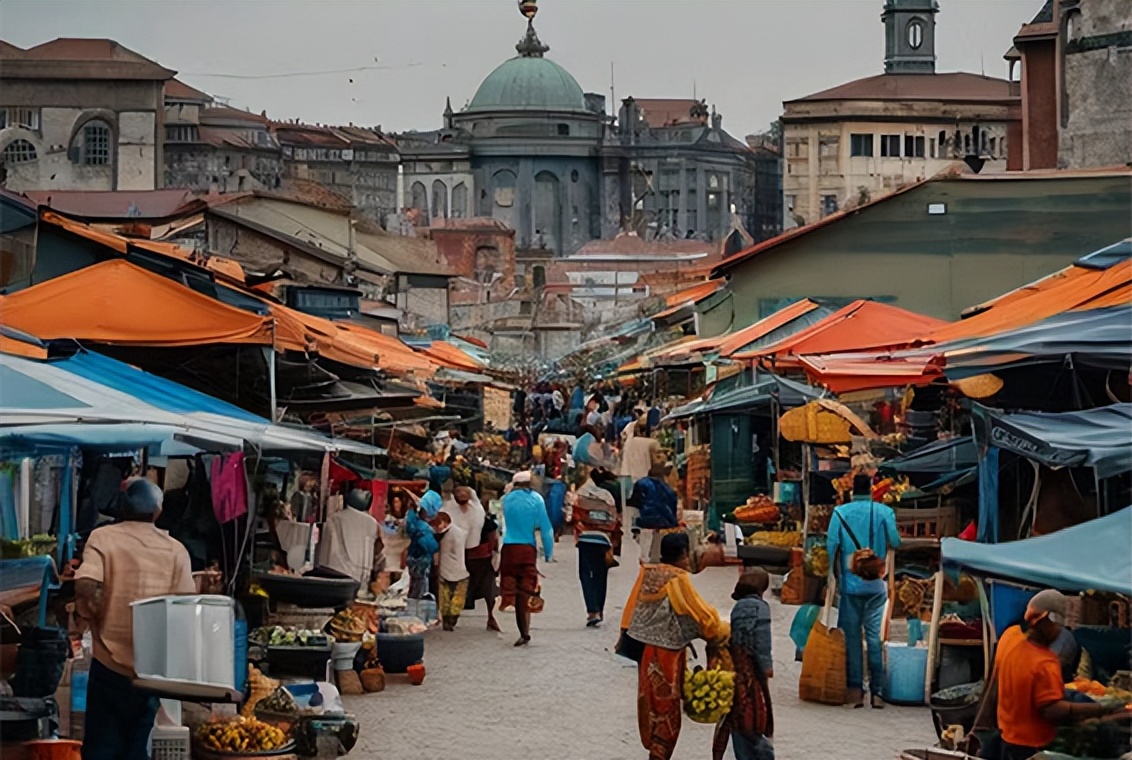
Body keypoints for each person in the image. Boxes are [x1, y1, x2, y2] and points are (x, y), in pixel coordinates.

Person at [74, 479, 196, 760]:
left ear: (123, 507)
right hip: (150, 668)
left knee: (102, 746)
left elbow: (86, 584)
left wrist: (85, 617)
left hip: (108, 662)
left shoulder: (103, 538)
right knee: (136, 745)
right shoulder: (175, 550)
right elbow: (185, 608)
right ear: (157, 512)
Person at [973, 590, 1130, 760]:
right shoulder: (1044, 662)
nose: (1059, 633)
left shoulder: (1009, 635)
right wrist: (1101, 709)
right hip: (1032, 745)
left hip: (1006, 736)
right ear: (1045, 619)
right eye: (1059, 626)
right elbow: (1051, 710)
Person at [622, 533, 729, 760]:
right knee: (666, 712)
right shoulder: (676, 578)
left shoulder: (649, 572)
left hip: (646, 652)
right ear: (683, 554)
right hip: (666, 657)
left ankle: (655, 750)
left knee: (651, 706)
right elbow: (700, 614)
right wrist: (722, 631)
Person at [827, 473, 900, 708]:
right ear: (871, 489)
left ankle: (855, 690)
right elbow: (896, 542)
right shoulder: (884, 512)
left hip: (850, 586)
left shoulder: (840, 513)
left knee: (852, 639)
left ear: (851, 489)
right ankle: (877, 693)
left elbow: (831, 546)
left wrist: (832, 576)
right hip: (877, 587)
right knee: (874, 639)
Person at [717, 568, 775, 760]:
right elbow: (762, 641)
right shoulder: (761, 608)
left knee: (740, 718)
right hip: (752, 672)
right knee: (755, 720)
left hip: (737, 670)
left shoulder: (738, 607)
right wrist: (767, 666)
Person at [499, 471, 554, 646]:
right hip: (527, 548)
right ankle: (525, 631)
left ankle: (521, 627)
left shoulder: (506, 499)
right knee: (526, 590)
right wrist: (548, 552)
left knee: (513, 590)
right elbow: (546, 528)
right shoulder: (536, 499)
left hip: (508, 548)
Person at [574, 473, 619, 628]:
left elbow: (573, 517)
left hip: (585, 539)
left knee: (585, 574)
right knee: (601, 576)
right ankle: (599, 610)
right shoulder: (608, 497)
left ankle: (592, 611)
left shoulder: (581, 495)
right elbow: (614, 521)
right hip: (603, 540)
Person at [317, 488, 380, 586]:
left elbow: (327, 546)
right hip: (361, 572)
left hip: (337, 570)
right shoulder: (372, 523)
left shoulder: (335, 518)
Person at [629, 458, 679, 564]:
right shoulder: (668, 489)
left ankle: (644, 558)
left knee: (645, 537)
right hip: (664, 521)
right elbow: (673, 508)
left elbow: (634, 503)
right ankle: (655, 557)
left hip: (645, 520)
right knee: (657, 539)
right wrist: (673, 522)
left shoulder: (641, 483)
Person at [621, 420, 660, 532]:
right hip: (644, 477)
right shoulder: (652, 443)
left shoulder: (628, 442)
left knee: (630, 507)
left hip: (627, 476)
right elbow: (657, 461)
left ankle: (631, 526)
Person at [405, 489, 442, 601]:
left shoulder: (412, 519)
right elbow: (432, 547)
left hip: (411, 561)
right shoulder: (424, 529)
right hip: (422, 565)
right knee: (419, 594)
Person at [434, 512, 467, 631]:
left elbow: (458, 553)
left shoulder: (455, 533)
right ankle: (448, 620)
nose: (437, 527)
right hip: (447, 569)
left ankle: (451, 619)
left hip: (456, 569)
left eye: (439, 524)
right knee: (446, 597)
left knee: (453, 597)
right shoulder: (443, 533)